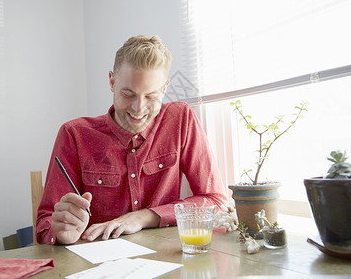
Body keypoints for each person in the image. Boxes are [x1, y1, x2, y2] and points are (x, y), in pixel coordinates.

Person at [36, 35, 227, 245]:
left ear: (165, 88)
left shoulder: (181, 119)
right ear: (112, 81)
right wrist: (62, 234)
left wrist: (144, 217)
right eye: (128, 94)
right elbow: (45, 225)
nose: (138, 109)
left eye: (151, 96)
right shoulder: (74, 134)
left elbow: (215, 201)